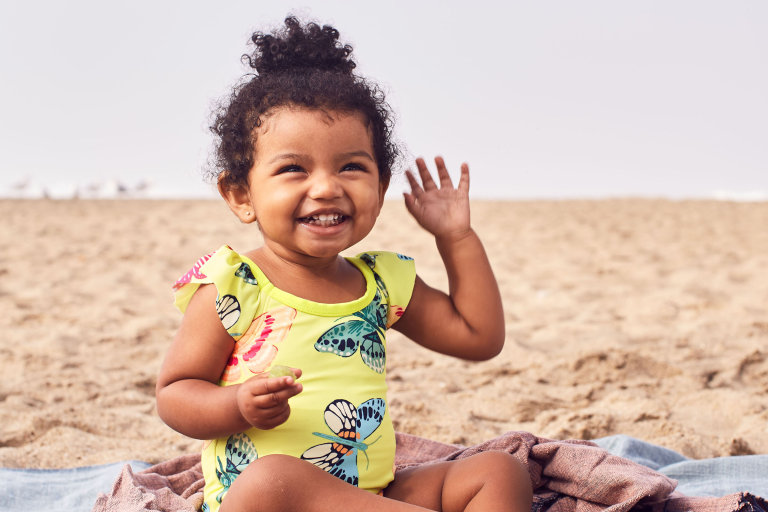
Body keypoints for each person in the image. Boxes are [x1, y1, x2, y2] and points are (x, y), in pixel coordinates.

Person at [155, 16, 532, 512]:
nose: (327, 187)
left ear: (379, 186)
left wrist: (455, 237)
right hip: (268, 501)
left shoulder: (380, 282)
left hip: (367, 495)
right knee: (275, 478)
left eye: (351, 166)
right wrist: (236, 405)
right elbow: (175, 393)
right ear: (241, 194)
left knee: (498, 470)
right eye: (293, 168)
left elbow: (479, 336)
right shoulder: (236, 286)